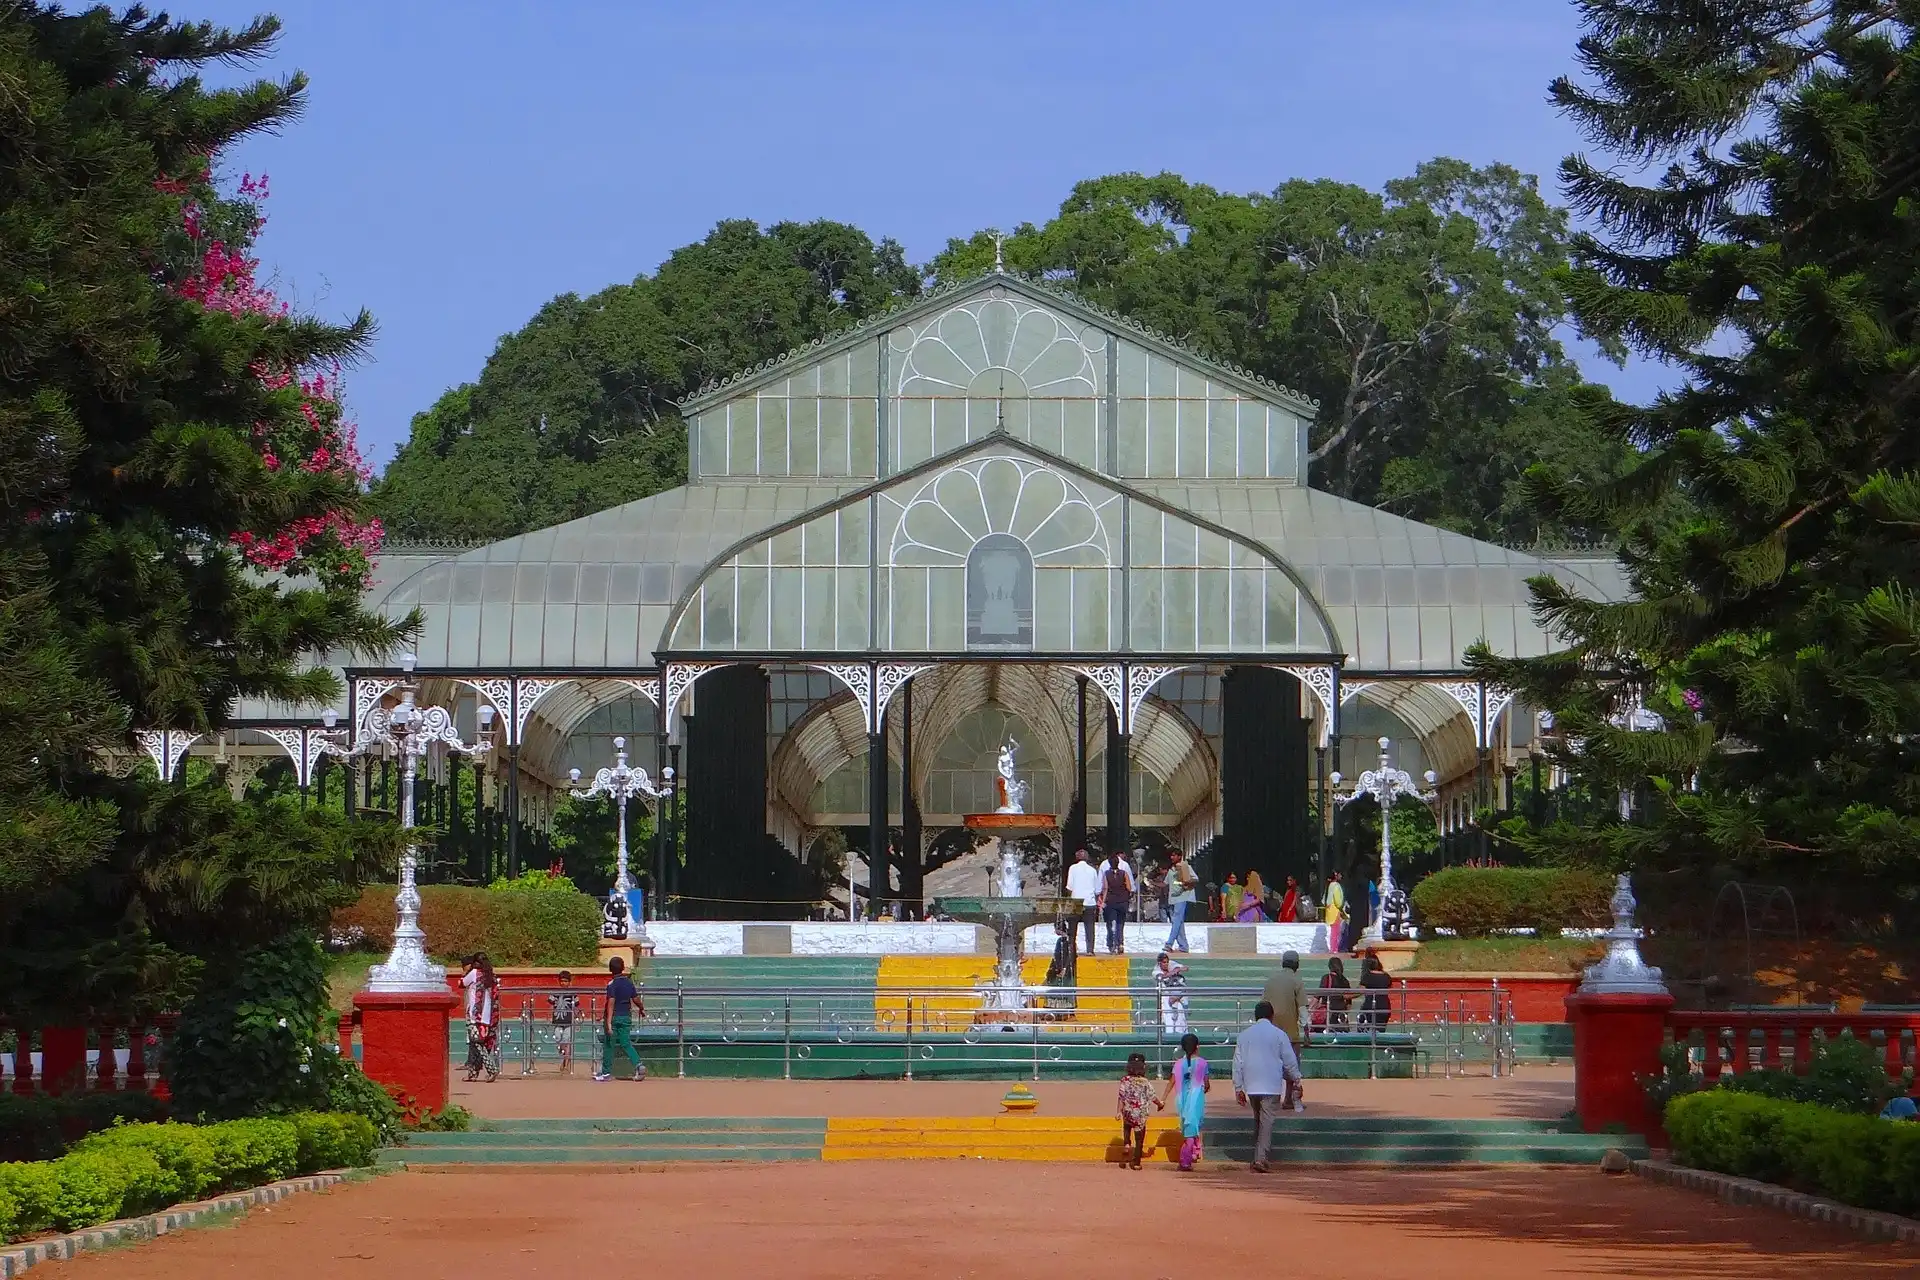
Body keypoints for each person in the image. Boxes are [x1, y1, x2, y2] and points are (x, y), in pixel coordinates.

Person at [1232, 1000, 1302, 1173]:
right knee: (1267, 1123)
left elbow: (1237, 1062)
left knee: (1259, 1121)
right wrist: (1297, 1080)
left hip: (1252, 1084)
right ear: (1271, 1016)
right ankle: (1260, 1158)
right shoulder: (1279, 1035)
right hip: (1270, 1085)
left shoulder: (1244, 1035)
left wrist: (1238, 1087)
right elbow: (1290, 1061)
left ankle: (1258, 1155)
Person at [1158, 1032, 1210, 1171]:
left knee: (1189, 1127)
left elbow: (1172, 1081)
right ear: (1197, 1047)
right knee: (1193, 1129)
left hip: (1182, 1100)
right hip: (1196, 1100)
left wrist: (1163, 1098)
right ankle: (1185, 1159)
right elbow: (1206, 1083)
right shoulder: (1202, 1063)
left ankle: (1193, 1153)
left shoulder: (1178, 1064)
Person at [596, 955, 647, 1082]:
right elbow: (635, 999)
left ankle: (606, 1073)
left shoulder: (612, 984)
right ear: (623, 968)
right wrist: (641, 1008)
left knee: (609, 1044)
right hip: (626, 1017)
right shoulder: (628, 983)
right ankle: (638, 1064)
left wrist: (608, 1022)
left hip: (614, 1017)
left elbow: (611, 1003)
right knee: (626, 1043)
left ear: (610, 969)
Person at [1115, 1051, 1161, 1169]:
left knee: (1126, 1126)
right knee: (1139, 1138)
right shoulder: (1145, 1082)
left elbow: (1121, 1096)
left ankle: (1126, 1143)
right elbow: (1152, 1097)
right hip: (1140, 1114)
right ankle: (1136, 1163)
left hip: (1128, 1111)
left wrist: (1118, 1112)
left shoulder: (1125, 1080)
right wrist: (1160, 1104)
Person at [461, 954, 500, 1083]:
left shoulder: (474, 973)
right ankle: (472, 1073)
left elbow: (461, 983)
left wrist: (466, 972)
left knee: (477, 1043)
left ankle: (491, 1068)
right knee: (474, 1044)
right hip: (487, 1016)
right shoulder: (491, 976)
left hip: (475, 1016)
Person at [1262, 950, 1308, 1047]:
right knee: (1292, 1061)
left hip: (1270, 1034)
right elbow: (1302, 1010)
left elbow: (1263, 1007)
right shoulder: (1297, 981)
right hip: (1290, 1035)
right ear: (1297, 965)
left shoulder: (1270, 980)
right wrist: (1306, 1033)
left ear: (1283, 963)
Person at [1066, 848, 1102, 956]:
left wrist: (1070, 898)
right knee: (1090, 928)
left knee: (1072, 928)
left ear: (1077, 857)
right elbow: (1097, 889)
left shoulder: (1073, 868)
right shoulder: (1092, 870)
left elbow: (1069, 886)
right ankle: (1090, 950)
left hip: (1076, 901)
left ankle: (1072, 949)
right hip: (1089, 902)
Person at [1098, 850, 1133, 954]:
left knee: (1110, 923)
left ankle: (1112, 944)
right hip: (1122, 901)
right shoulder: (1124, 873)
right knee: (1120, 923)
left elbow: (1105, 888)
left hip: (1111, 902)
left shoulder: (1106, 874)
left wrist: (1102, 903)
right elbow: (1129, 887)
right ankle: (1120, 943)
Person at [1163, 850, 1198, 952]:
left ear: (1179, 856)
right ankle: (1183, 946)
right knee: (1179, 922)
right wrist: (1152, 882)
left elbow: (1195, 879)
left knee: (1176, 920)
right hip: (1173, 899)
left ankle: (1169, 943)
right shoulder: (1171, 871)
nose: (1172, 857)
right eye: (1171, 855)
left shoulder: (1185, 867)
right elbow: (1165, 883)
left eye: (1174, 855)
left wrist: (1186, 881)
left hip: (1182, 897)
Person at [548, 970, 580, 1075]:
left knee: (567, 1040)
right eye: (562, 981)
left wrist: (577, 1018)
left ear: (569, 982)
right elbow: (551, 1002)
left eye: (566, 981)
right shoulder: (554, 992)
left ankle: (566, 1063)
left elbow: (576, 1006)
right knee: (558, 1039)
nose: (563, 983)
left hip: (569, 1021)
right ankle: (564, 1058)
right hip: (558, 1020)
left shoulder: (573, 993)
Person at [1314, 955, 1353, 1033]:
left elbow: (1317, 996)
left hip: (1329, 1012)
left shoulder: (1326, 978)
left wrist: (1310, 1009)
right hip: (1341, 1013)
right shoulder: (1345, 980)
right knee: (1342, 1037)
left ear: (1330, 966)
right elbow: (1349, 1002)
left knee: (1328, 1037)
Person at [1155, 950, 1189, 1036]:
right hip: (1166, 997)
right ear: (1159, 963)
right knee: (1168, 1019)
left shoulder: (1171, 964)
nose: (1166, 964)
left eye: (1167, 962)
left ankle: (1181, 1034)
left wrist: (1177, 969)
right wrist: (1172, 973)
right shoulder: (1156, 970)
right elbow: (1160, 977)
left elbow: (1185, 968)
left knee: (1181, 1020)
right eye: (1164, 962)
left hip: (1178, 996)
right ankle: (1170, 1035)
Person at [1359, 953, 1393, 1028]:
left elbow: (1360, 991)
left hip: (1370, 1006)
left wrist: (1345, 996)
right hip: (1384, 1006)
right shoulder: (1386, 976)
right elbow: (1390, 987)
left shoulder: (1367, 976)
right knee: (1380, 1031)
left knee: (1363, 1028)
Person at [1324, 871, 1347, 954]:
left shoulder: (1329, 885)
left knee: (1333, 931)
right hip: (1335, 911)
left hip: (1330, 910)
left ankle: (1333, 948)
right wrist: (1341, 906)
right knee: (1336, 932)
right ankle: (1334, 949)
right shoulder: (1336, 886)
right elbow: (1338, 901)